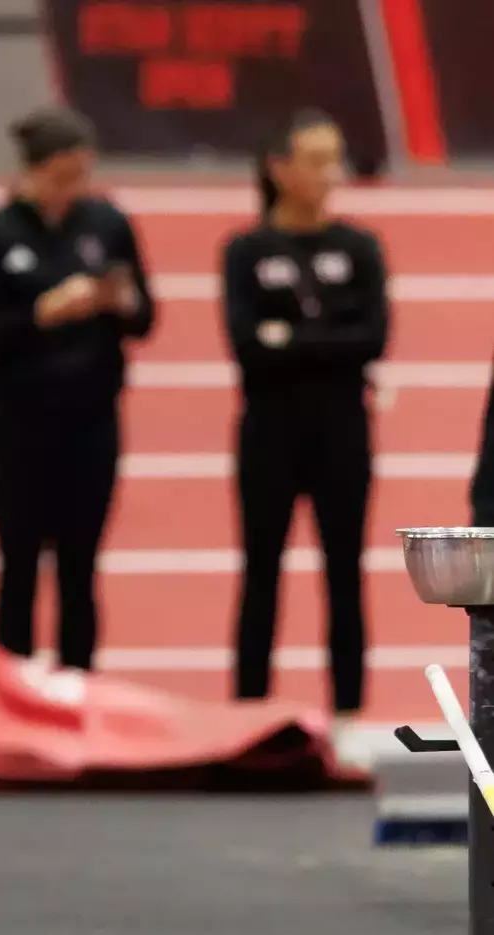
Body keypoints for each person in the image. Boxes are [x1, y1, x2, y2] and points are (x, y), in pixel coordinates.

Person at [0, 106, 157, 674]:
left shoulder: (107, 224)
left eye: (82, 175)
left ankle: (78, 691)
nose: (74, 189)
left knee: (80, 567)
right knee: (19, 562)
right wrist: (43, 311)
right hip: (15, 423)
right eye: (63, 176)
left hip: (91, 419)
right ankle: (13, 694)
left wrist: (120, 302)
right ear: (32, 171)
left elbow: (145, 317)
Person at [220, 107, 390, 724]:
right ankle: (248, 713)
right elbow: (245, 347)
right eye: (316, 160)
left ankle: (347, 713)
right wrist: (325, 340)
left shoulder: (360, 247)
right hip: (269, 432)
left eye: (333, 159)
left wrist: (288, 338)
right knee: (260, 569)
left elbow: (372, 338)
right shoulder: (245, 250)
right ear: (279, 168)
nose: (330, 173)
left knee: (345, 572)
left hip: (343, 430)